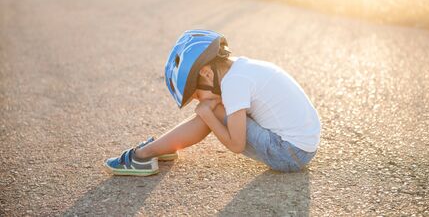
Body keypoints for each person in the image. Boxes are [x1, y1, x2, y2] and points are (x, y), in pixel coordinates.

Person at [104, 29, 321, 176]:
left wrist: (208, 114)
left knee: (215, 109)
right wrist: (209, 109)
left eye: (197, 95)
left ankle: (143, 154)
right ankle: (158, 148)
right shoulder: (240, 69)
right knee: (216, 107)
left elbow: (236, 145)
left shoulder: (234, 84)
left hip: (289, 154)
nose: (199, 102)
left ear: (206, 73)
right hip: (302, 148)